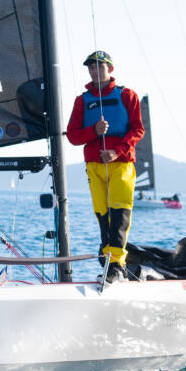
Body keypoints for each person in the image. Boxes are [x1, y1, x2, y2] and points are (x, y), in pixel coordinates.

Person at [65, 51, 145, 283]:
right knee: (103, 215)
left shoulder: (128, 95)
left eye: (100, 66)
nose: (95, 70)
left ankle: (116, 265)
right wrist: (94, 131)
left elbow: (138, 129)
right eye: (91, 67)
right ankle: (108, 261)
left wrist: (116, 151)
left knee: (120, 214)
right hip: (94, 166)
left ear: (110, 69)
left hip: (120, 164)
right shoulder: (82, 100)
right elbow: (72, 136)